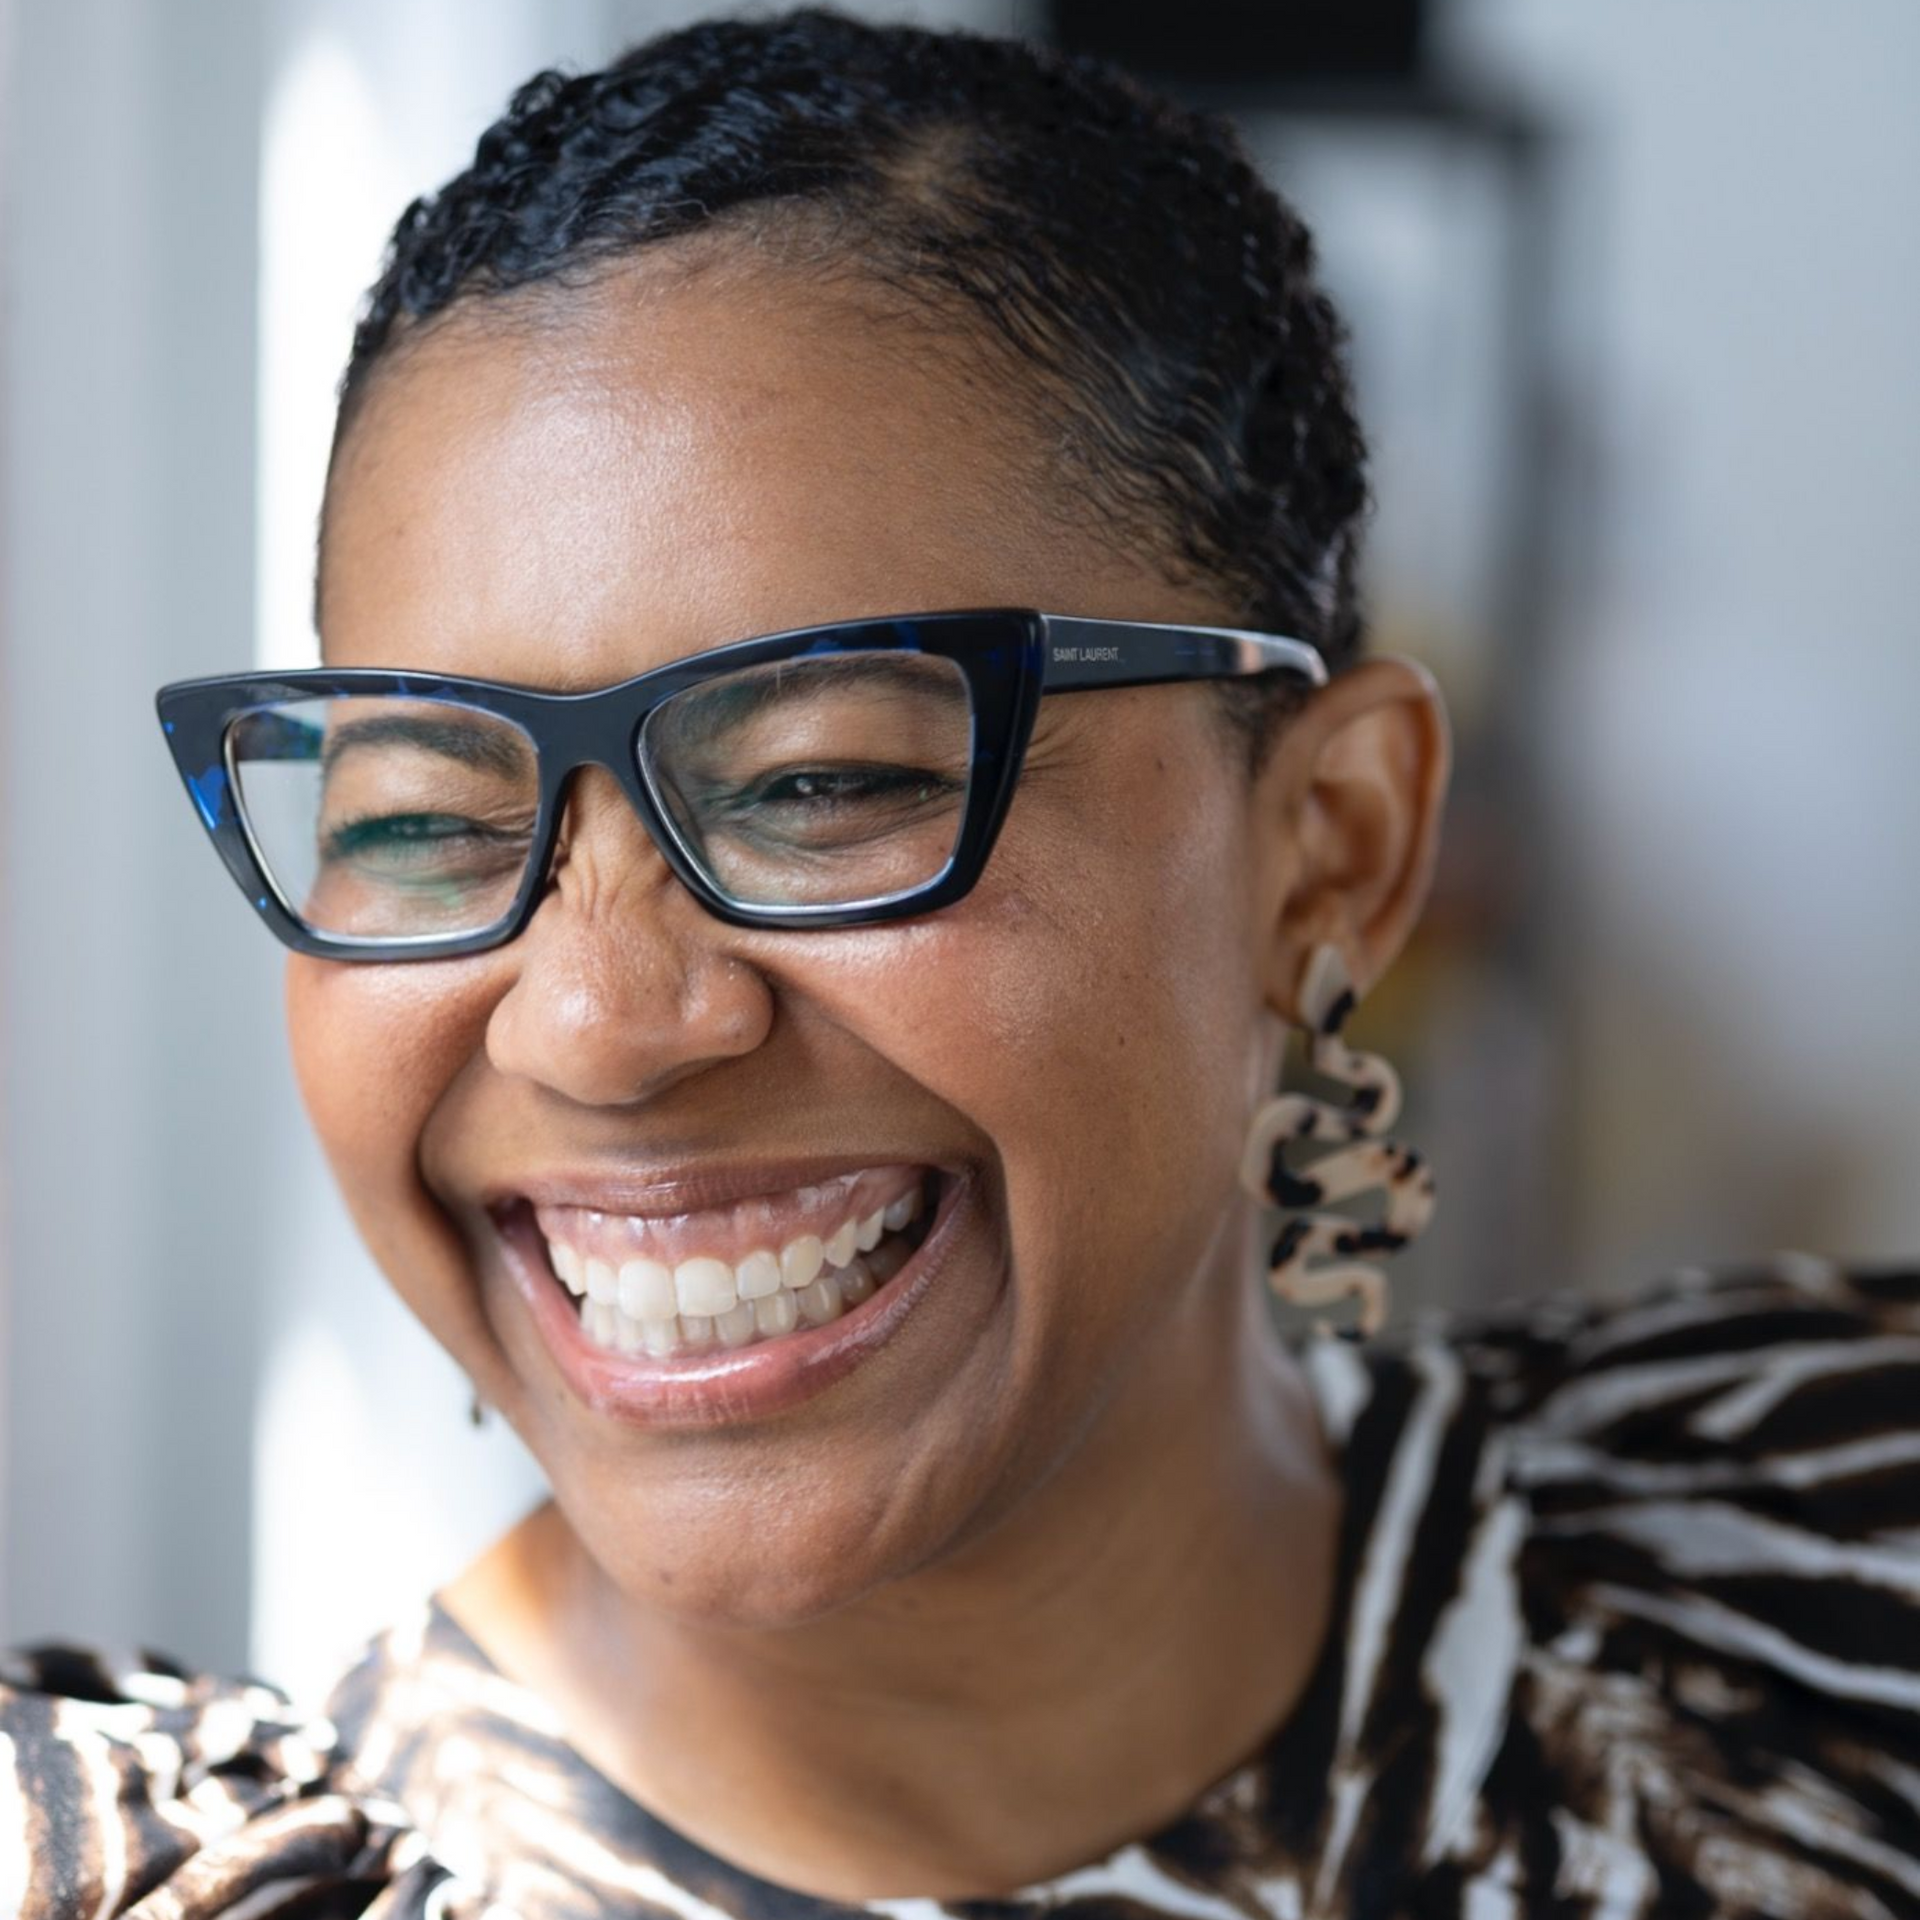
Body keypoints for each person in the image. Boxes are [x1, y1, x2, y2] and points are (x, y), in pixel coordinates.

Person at [6, 9, 1919, 1915]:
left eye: (825, 781)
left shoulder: (1832, 1566)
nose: (595, 1024)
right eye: (424, 822)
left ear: (1330, 853)